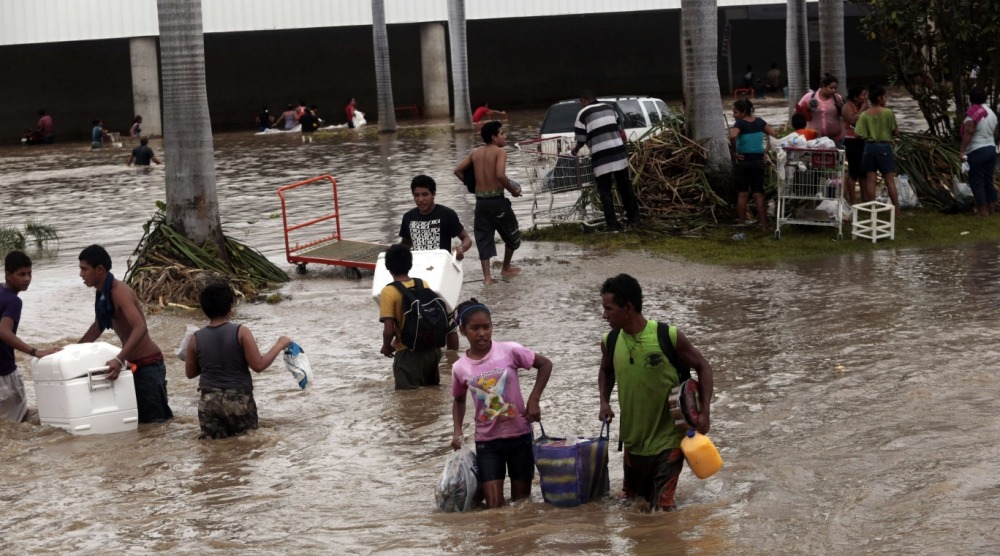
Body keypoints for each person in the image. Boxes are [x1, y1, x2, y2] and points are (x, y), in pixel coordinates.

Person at [597, 273, 714, 512]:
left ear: (627, 307)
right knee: (634, 507)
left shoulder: (667, 336)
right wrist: (603, 402)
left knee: (662, 512)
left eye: (608, 309)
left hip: (669, 442)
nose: (604, 315)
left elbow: (703, 366)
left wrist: (705, 413)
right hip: (633, 443)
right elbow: (606, 371)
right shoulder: (609, 341)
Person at [449, 299, 553, 509]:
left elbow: (545, 364)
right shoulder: (460, 367)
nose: (482, 333)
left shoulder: (510, 351)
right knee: (494, 506)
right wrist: (457, 431)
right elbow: (459, 400)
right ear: (462, 331)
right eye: (474, 328)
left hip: (520, 437)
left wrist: (534, 399)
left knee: (521, 504)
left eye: (486, 327)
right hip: (488, 442)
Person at [77, 244, 173, 423]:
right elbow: (99, 325)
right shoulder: (102, 293)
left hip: (148, 365)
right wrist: (72, 352)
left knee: (157, 425)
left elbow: (140, 328)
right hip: (132, 364)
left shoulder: (118, 292)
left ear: (99, 270)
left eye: (84, 269)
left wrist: (119, 359)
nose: (81, 274)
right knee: (141, 423)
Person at [185, 283, 292, 439]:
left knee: (214, 453)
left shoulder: (196, 338)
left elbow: (190, 373)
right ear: (230, 307)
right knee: (246, 447)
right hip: (239, 401)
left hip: (209, 403)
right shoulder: (241, 332)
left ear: (204, 310)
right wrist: (280, 344)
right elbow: (258, 365)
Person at [379, 244, 459, 390]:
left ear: (387, 267)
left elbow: (389, 330)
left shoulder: (388, 292)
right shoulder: (422, 284)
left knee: (407, 401)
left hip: (408, 354)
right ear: (410, 264)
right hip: (432, 352)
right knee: (432, 395)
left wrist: (386, 346)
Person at [453, 121, 523, 285]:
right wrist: (513, 191)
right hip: (497, 201)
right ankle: (506, 268)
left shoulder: (475, 153)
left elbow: (457, 171)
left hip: (481, 203)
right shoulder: (500, 151)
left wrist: (473, 187)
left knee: (483, 238)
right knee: (512, 234)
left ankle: (487, 278)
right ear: (493, 137)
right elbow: (500, 175)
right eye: (502, 133)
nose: (505, 137)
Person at [0, 251, 60, 422]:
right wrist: (35, 352)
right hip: (4, 373)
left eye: (29, 273)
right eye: (21, 274)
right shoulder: (13, 301)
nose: (26, 279)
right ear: (8, 275)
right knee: (17, 423)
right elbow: (4, 331)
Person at [570, 90, 641, 231]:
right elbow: (620, 131)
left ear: (583, 100)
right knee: (625, 187)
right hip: (619, 154)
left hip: (601, 157)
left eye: (580, 103)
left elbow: (581, 139)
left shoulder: (582, 114)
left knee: (605, 191)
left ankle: (612, 225)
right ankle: (635, 220)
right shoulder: (610, 108)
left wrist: (575, 150)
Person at [729, 99, 777, 232]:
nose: (734, 115)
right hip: (758, 161)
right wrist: (766, 152)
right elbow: (773, 135)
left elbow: (732, 137)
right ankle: (764, 226)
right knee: (758, 194)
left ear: (744, 112)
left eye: (736, 112)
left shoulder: (740, 123)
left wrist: (734, 152)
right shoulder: (760, 122)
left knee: (743, 194)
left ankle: (742, 224)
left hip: (743, 160)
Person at [400, 174, 473, 258]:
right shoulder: (408, 217)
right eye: (417, 195)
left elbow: (466, 239)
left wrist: (461, 249)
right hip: (418, 265)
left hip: (442, 265)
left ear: (433, 194)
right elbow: (406, 244)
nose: (420, 200)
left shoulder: (447, 214)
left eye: (425, 195)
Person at [855, 85, 901, 215]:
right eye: (885, 96)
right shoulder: (888, 112)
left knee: (871, 180)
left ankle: (872, 210)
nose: (886, 99)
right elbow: (896, 132)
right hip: (884, 147)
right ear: (879, 98)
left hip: (869, 147)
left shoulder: (864, 115)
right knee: (889, 180)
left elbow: (857, 134)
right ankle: (897, 210)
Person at [959, 87, 999, 217]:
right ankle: (991, 208)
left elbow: (969, 131)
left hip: (977, 150)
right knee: (988, 179)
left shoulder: (973, 113)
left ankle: (982, 211)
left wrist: (963, 150)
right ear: (985, 98)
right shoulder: (991, 113)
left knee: (977, 180)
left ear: (970, 99)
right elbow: (996, 132)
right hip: (991, 149)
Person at [795, 74, 845, 143]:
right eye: (831, 88)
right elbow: (797, 113)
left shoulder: (838, 98)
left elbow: (843, 116)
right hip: (813, 140)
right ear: (823, 86)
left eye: (835, 88)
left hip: (835, 139)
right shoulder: (809, 97)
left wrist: (841, 107)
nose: (833, 90)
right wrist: (806, 108)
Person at [841, 85, 870, 204]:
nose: (865, 97)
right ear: (855, 97)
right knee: (853, 171)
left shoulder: (865, 106)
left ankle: (865, 198)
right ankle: (853, 201)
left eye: (866, 94)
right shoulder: (847, 106)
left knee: (864, 171)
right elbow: (852, 120)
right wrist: (863, 109)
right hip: (851, 140)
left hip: (863, 139)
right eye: (863, 95)